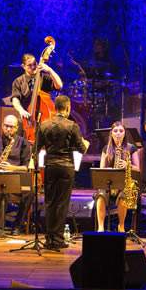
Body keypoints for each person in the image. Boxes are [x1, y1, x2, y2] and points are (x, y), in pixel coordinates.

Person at [36, 95, 89, 250]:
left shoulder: (44, 124)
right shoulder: (72, 126)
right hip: (66, 167)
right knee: (62, 204)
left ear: (55, 107)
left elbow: (36, 149)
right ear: (67, 108)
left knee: (50, 202)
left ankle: (49, 238)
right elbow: (82, 148)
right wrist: (80, 144)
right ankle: (58, 239)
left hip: (50, 166)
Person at [0, 114, 33, 235]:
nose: (8, 129)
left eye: (11, 127)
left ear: (16, 128)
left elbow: (25, 167)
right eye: (6, 126)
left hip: (15, 179)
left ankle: (18, 226)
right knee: (0, 189)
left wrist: (12, 168)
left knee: (30, 193)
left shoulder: (23, 143)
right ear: (2, 126)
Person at [94, 121, 140, 233]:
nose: (118, 133)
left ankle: (121, 226)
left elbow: (138, 169)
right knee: (100, 195)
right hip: (109, 183)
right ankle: (101, 227)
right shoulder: (106, 148)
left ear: (125, 133)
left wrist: (127, 165)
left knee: (123, 196)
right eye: (115, 131)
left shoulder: (131, 148)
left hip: (124, 183)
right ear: (111, 133)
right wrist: (109, 170)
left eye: (121, 131)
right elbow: (101, 169)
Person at [11, 52, 64, 125]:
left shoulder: (44, 77)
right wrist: (21, 110)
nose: (33, 67)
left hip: (44, 120)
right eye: (29, 65)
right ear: (23, 66)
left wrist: (50, 70)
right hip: (26, 121)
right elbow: (15, 99)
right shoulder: (18, 81)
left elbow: (59, 85)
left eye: (34, 64)